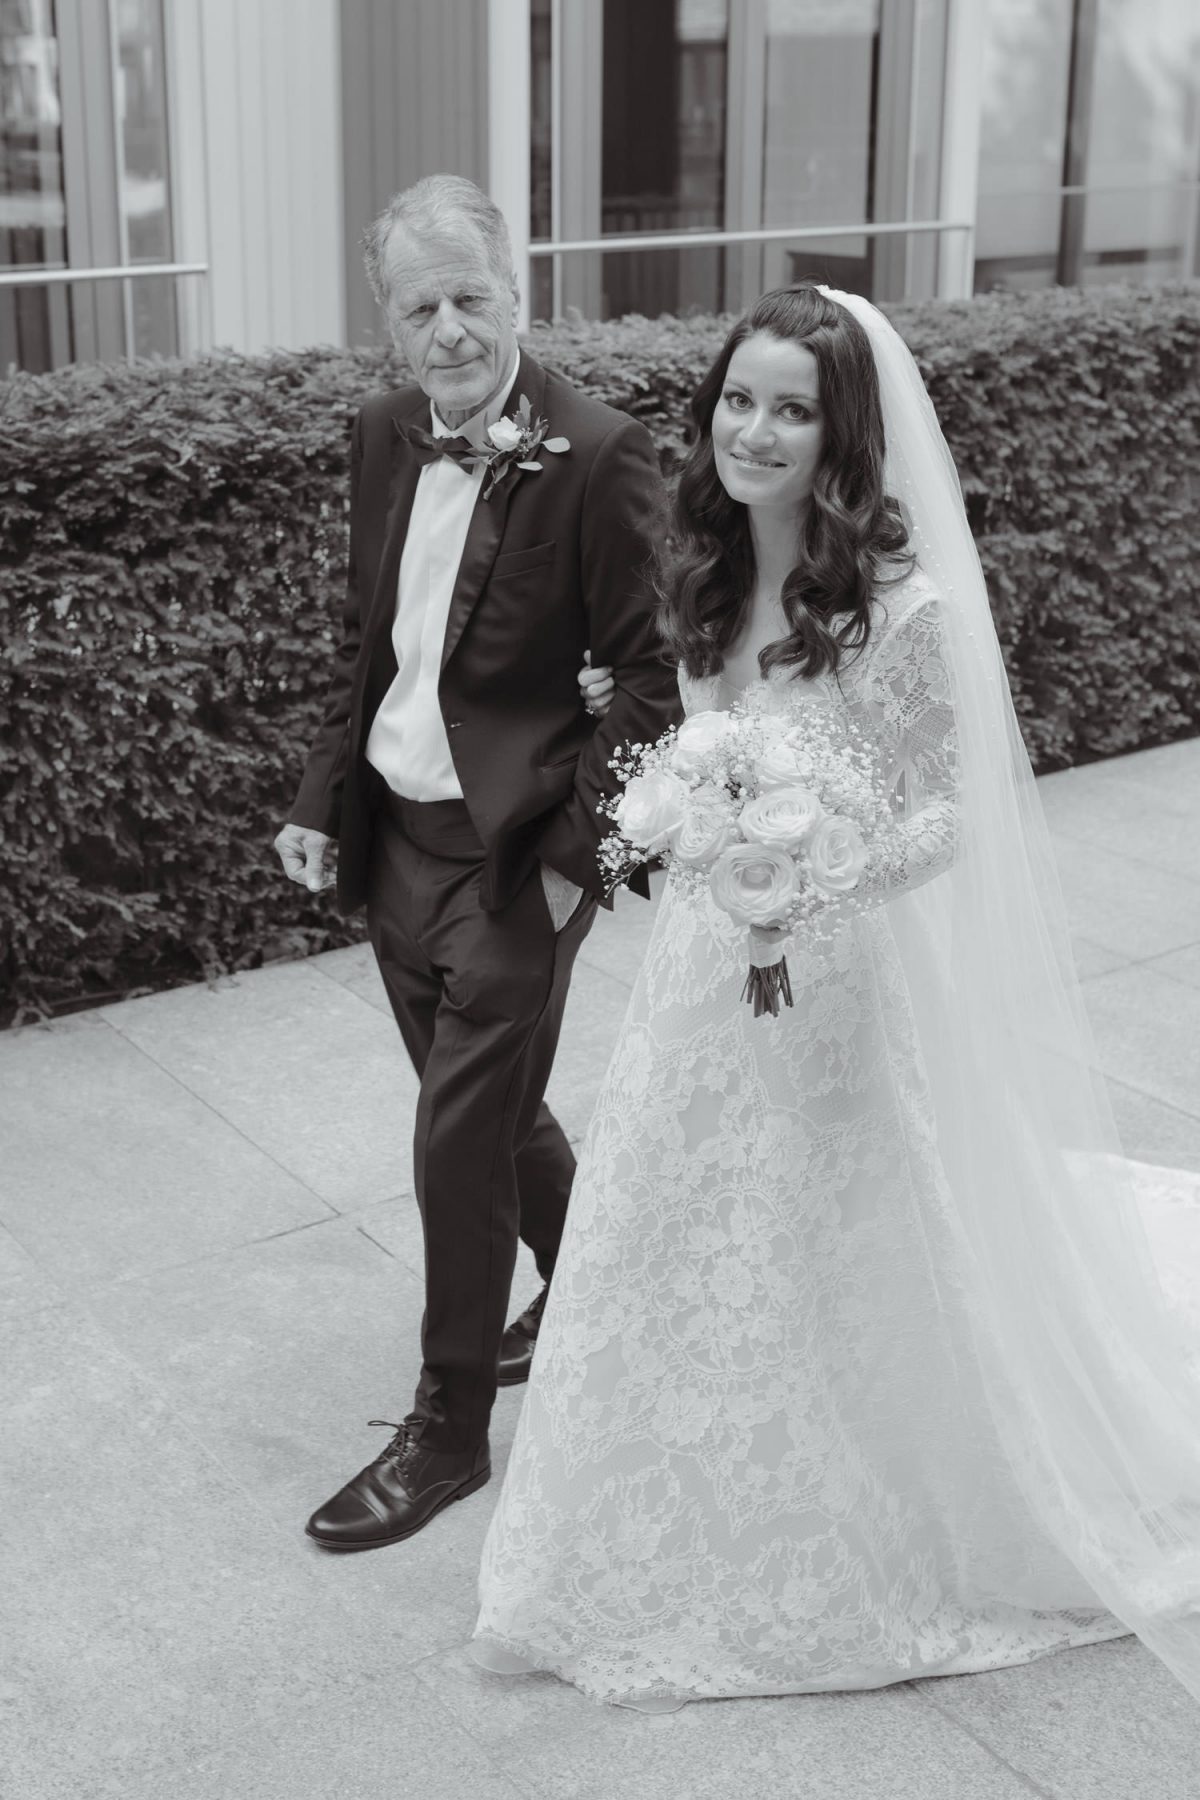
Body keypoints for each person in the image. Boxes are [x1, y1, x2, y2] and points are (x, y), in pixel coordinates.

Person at [470, 285, 1200, 1711]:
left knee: (842, 1238)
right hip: (703, 973)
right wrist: (690, 837)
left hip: (842, 973)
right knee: (674, 1227)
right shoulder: (700, 569)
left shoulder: (897, 609)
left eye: (792, 408)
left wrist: (811, 889)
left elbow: (945, 814)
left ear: (840, 435)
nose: (755, 429)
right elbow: (693, 752)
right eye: (738, 399)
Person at [274, 175, 679, 1550]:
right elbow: (369, 635)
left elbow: (650, 684)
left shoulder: (601, 449)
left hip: (519, 858)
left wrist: (575, 864)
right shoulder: (386, 432)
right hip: (397, 837)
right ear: (387, 324)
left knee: (455, 1137)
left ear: (520, 291)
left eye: (472, 299)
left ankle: (448, 1429)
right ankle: (595, 1286)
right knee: (497, 1115)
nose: (448, 331)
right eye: (419, 307)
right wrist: (328, 796)